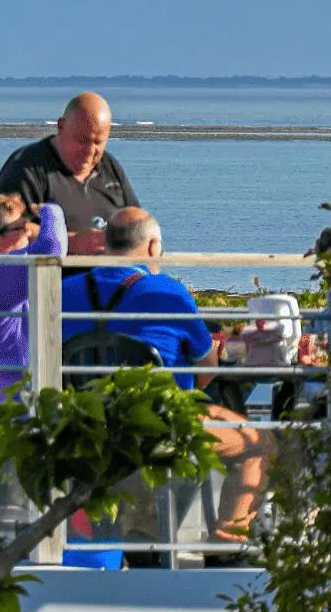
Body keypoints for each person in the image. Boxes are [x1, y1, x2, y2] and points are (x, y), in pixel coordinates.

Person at [66, 208, 270, 543]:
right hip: (163, 426)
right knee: (258, 443)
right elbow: (207, 371)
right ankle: (226, 544)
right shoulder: (166, 291)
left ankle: (141, 533)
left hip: (88, 423)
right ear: (152, 246)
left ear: (105, 244)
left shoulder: (65, 291)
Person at [0, 93, 138, 254]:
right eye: (82, 140)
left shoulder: (110, 166)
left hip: (114, 274)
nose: (89, 151)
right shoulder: (25, 167)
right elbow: (10, 230)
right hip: (50, 275)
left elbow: (136, 220)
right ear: (61, 126)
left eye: (98, 142)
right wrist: (71, 242)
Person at [0, 196, 66, 409]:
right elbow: (51, 248)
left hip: (0, 398)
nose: (29, 232)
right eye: (21, 228)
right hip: (20, 403)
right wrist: (49, 209)